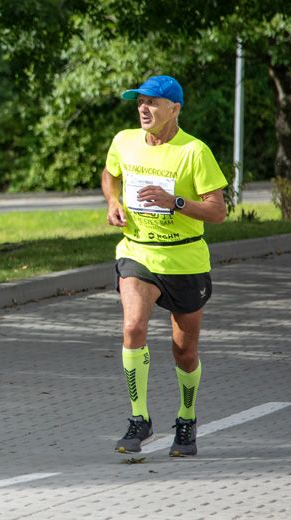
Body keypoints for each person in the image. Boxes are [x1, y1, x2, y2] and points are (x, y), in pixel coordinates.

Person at [101, 75, 227, 456]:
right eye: (140, 101)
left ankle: (186, 421)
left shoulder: (195, 151)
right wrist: (112, 201)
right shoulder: (124, 141)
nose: (144, 108)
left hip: (185, 257)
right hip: (137, 252)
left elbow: (218, 211)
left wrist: (174, 202)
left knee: (183, 352)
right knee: (132, 326)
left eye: (153, 102)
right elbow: (111, 175)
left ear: (175, 108)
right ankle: (140, 419)